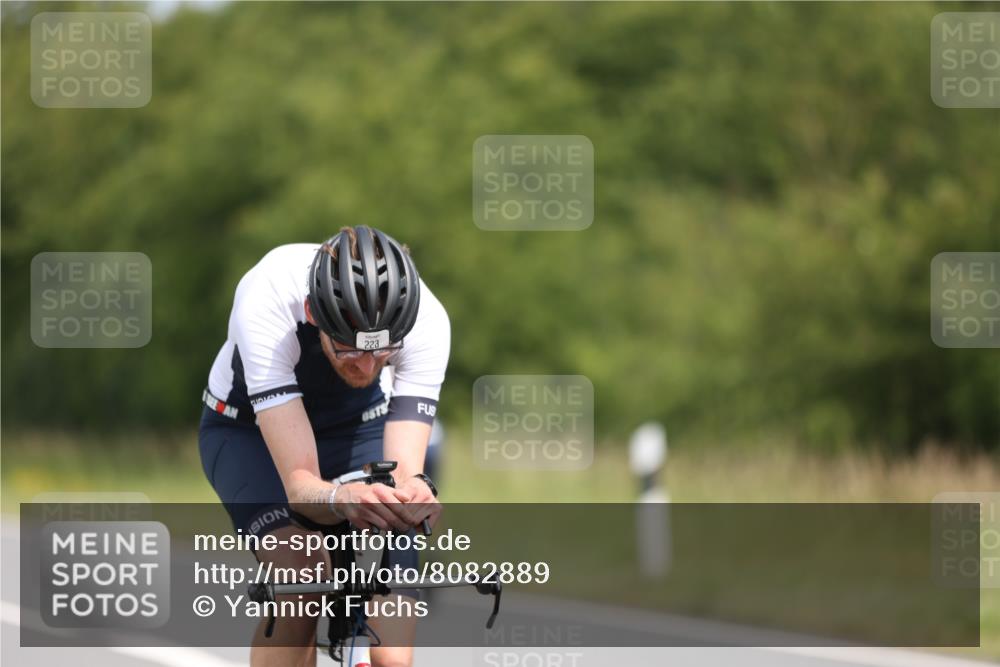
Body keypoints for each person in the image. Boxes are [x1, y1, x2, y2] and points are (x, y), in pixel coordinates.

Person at [198, 226, 448, 667]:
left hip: (359, 425)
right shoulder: (269, 295)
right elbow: (301, 488)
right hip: (247, 431)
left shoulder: (426, 319)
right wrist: (339, 497)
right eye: (349, 348)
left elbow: (408, 469)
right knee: (303, 571)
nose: (368, 365)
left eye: (382, 350)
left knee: (391, 651)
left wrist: (414, 493)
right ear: (314, 314)